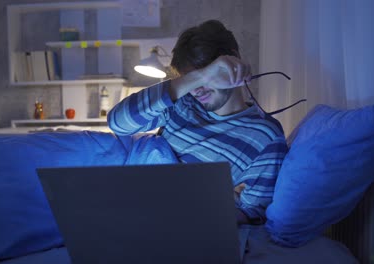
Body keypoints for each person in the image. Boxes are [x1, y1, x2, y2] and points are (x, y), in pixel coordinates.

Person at [108, 20, 288, 225]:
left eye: (206, 76)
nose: (197, 90)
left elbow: (253, 211)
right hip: (136, 208)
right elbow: (118, 123)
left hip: (186, 225)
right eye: (191, 79)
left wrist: (197, 218)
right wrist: (200, 76)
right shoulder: (181, 103)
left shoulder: (265, 136)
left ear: (233, 60)